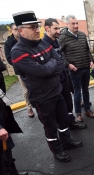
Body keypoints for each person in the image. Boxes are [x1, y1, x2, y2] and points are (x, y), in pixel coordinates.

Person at [11, 11, 83, 162]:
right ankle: (57, 151)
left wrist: (48, 68)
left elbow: (59, 62)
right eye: (33, 27)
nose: (38, 30)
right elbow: (42, 71)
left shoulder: (43, 43)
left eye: (37, 27)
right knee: (50, 127)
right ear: (21, 31)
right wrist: (49, 67)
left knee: (63, 120)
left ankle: (66, 142)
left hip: (57, 92)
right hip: (42, 98)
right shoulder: (18, 51)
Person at [42, 18, 87, 130]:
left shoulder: (57, 42)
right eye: (55, 28)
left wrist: (63, 66)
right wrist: (64, 65)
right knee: (59, 109)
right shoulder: (44, 45)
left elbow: (61, 59)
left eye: (59, 28)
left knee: (68, 103)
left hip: (63, 77)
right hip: (54, 82)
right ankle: (64, 133)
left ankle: (72, 123)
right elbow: (49, 66)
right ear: (47, 28)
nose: (58, 31)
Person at [59, 14, 94, 122]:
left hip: (85, 67)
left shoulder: (82, 34)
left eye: (76, 23)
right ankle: (78, 113)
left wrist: (91, 60)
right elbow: (60, 55)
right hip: (75, 69)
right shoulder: (63, 37)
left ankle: (87, 110)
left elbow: (87, 50)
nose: (75, 26)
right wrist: (68, 65)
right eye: (73, 24)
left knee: (86, 90)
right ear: (67, 24)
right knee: (77, 91)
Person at [4, 22, 35, 118]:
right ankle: (29, 107)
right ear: (11, 31)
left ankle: (38, 105)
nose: (18, 31)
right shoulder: (8, 43)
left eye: (18, 29)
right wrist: (22, 65)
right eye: (15, 29)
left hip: (31, 68)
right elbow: (9, 59)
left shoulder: (25, 40)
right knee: (26, 90)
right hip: (20, 71)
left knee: (35, 87)